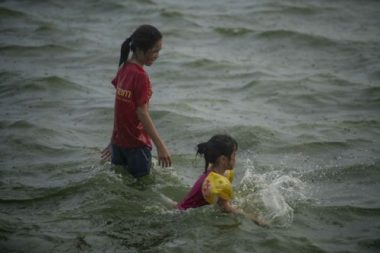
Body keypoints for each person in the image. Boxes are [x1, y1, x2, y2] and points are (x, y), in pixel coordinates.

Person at [101, 24, 171, 178]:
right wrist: (161, 147)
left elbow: (118, 107)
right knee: (143, 192)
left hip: (119, 145)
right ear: (140, 49)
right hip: (137, 147)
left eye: (159, 51)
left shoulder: (124, 68)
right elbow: (142, 112)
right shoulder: (141, 76)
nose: (157, 55)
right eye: (155, 51)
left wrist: (113, 139)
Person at [177, 134, 266, 226]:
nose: (235, 158)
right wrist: (254, 219)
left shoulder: (216, 173)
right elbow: (225, 208)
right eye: (234, 154)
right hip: (180, 219)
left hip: (180, 209)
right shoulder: (218, 182)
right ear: (223, 159)